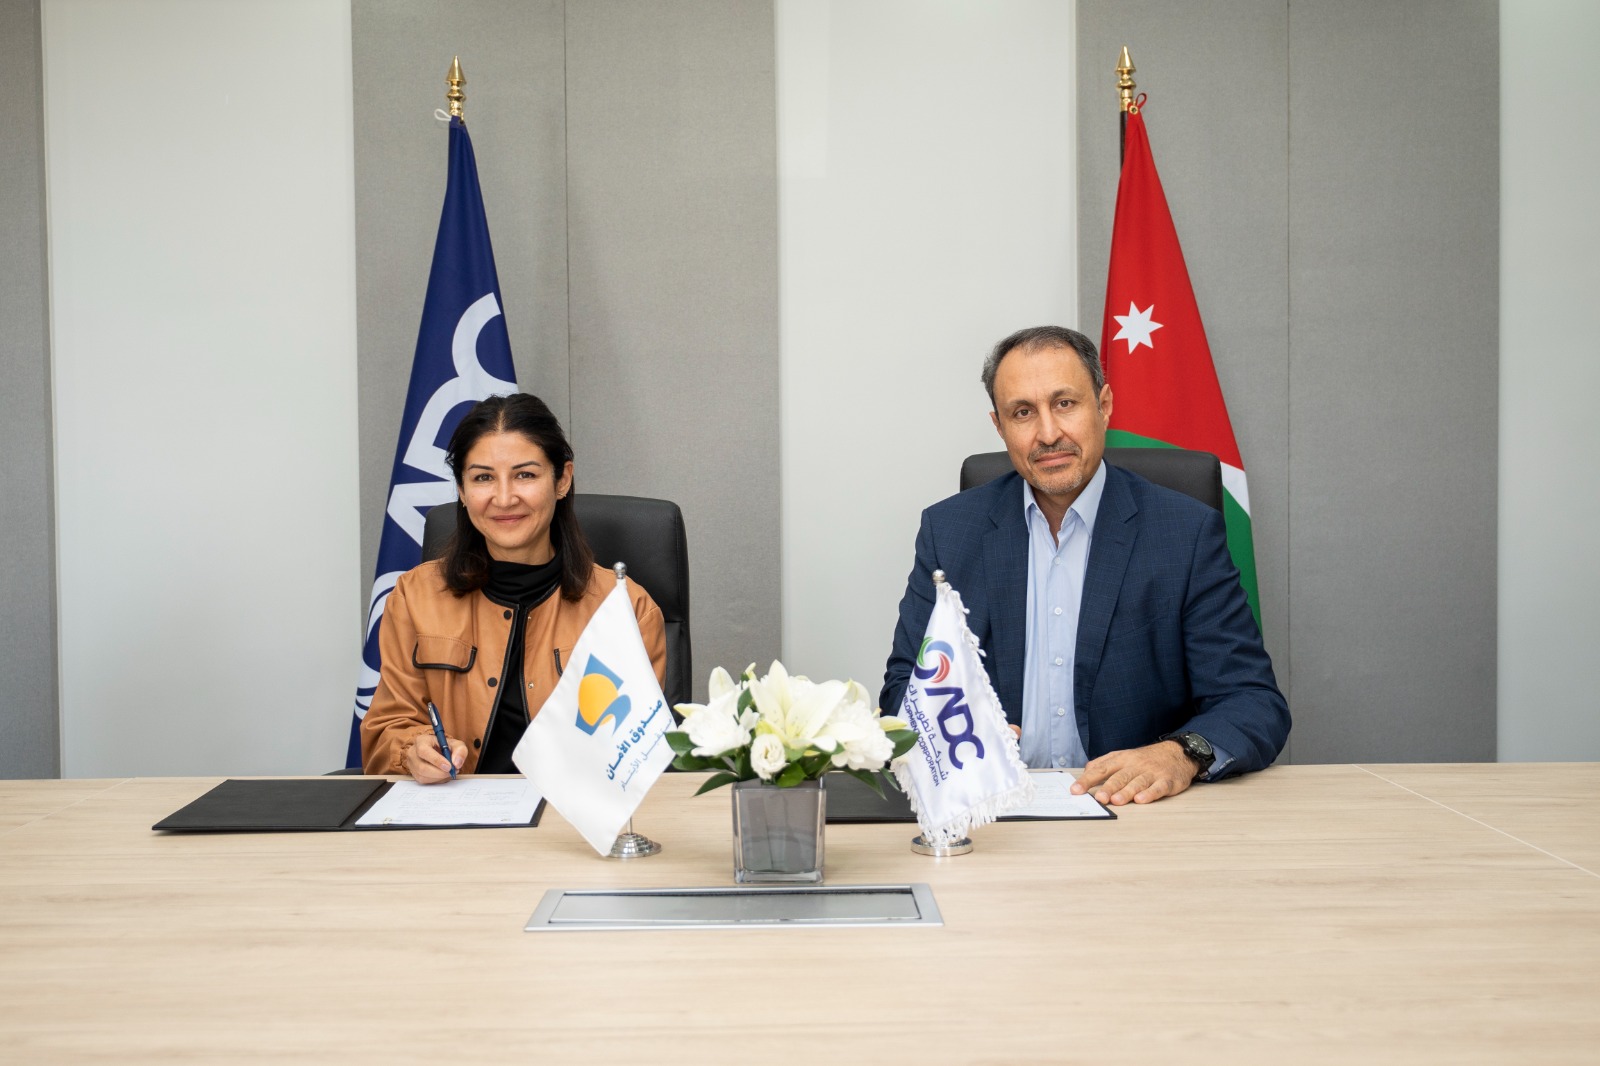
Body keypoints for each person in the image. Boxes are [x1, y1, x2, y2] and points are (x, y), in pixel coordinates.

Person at [881, 326, 1288, 805]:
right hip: (991, 809)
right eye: (1023, 412)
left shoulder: (1184, 534)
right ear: (999, 426)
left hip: (1134, 810)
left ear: (1104, 405)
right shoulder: (950, 532)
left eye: (1065, 403)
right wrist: (952, 733)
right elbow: (904, 687)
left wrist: (1180, 754)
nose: (1048, 433)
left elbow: (1251, 701)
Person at [361, 393, 666, 781]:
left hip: (572, 812)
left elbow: (635, 755)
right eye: (483, 478)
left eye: (525, 475)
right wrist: (413, 751)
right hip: (450, 809)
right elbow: (386, 731)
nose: (504, 499)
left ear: (562, 480)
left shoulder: (625, 608)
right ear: (462, 490)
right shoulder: (414, 596)